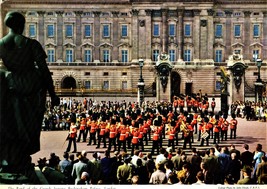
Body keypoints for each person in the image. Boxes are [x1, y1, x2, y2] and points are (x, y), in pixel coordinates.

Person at [0, 11, 60, 183]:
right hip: (29, 89)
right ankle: (20, 160)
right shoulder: (30, 44)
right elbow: (44, 70)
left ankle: (8, 160)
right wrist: (53, 93)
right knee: (27, 127)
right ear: (22, 25)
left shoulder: (1, 44)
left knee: (10, 125)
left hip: (9, 89)